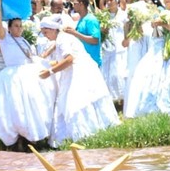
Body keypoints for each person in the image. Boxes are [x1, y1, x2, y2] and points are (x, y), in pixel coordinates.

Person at [0, 0, 55, 148]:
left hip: (28, 76)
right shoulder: (5, 39)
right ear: (9, 28)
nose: (19, 28)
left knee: (32, 106)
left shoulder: (24, 40)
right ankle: (16, 139)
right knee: (16, 108)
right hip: (13, 77)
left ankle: (32, 137)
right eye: (15, 26)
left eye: (20, 25)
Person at [39, 14, 119, 146]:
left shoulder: (63, 39)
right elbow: (63, 59)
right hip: (79, 71)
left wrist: (50, 71)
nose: (45, 36)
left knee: (75, 103)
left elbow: (69, 59)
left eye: (46, 32)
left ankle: (82, 135)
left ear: (53, 29)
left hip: (78, 73)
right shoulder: (62, 38)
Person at [99, 0, 128, 101]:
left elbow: (127, 28)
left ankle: (123, 97)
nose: (109, 3)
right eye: (107, 1)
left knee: (120, 73)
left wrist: (126, 39)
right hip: (108, 48)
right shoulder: (104, 16)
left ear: (116, 1)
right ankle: (111, 99)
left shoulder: (123, 14)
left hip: (121, 47)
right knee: (109, 74)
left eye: (111, 0)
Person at [64, 0, 101, 67]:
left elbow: (95, 40)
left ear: (81, 4)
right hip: (82, 59)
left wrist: (75, 33)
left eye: (75, 4)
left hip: (91, 61)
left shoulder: (91, 19)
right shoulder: (81, 19)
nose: (73, 6)